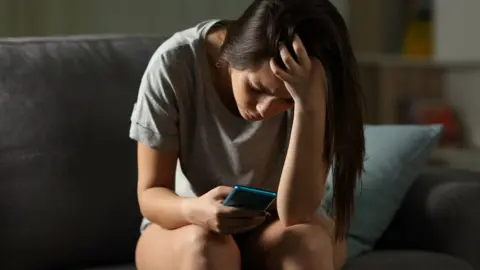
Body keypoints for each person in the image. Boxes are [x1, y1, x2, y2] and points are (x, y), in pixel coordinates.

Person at [130, 0, 365, 269]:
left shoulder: (316, 82)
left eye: (286, 100)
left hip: (276, 229)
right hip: (187, 226)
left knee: (308, 246)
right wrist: (195, 211)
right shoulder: (176, 64)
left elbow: (296, 214)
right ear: (232, 53)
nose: (265, 109)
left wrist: (308, 106)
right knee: (205, 248)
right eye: (256, 88)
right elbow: (150, 194)